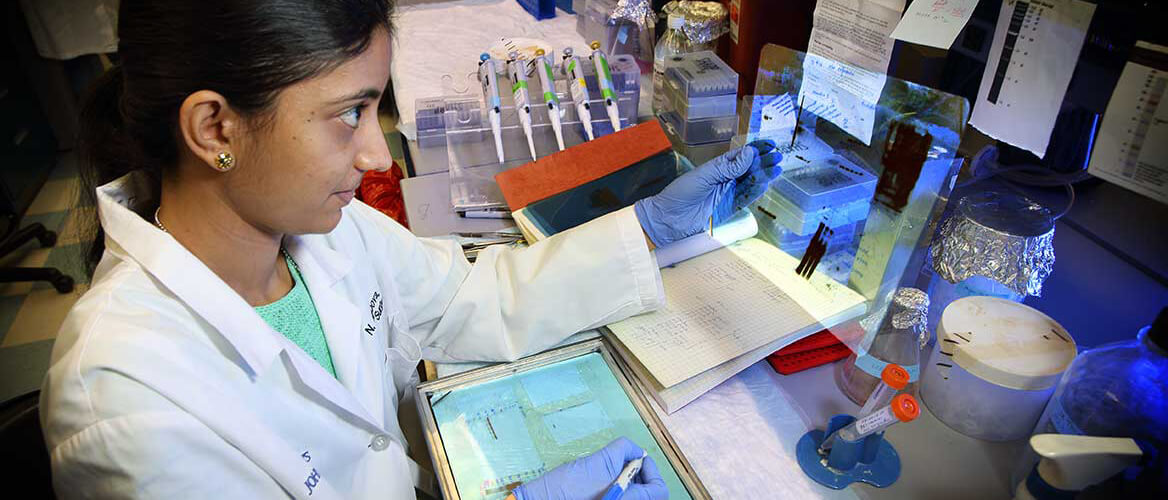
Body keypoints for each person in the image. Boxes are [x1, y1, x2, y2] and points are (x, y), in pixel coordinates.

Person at [39, 1, 782, 498]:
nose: (376, 156)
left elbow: (466, 299)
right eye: (348, 114)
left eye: (375, 107)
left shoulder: (319, 230)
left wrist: (649, 228)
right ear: (215, 129)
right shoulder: (126, 405)